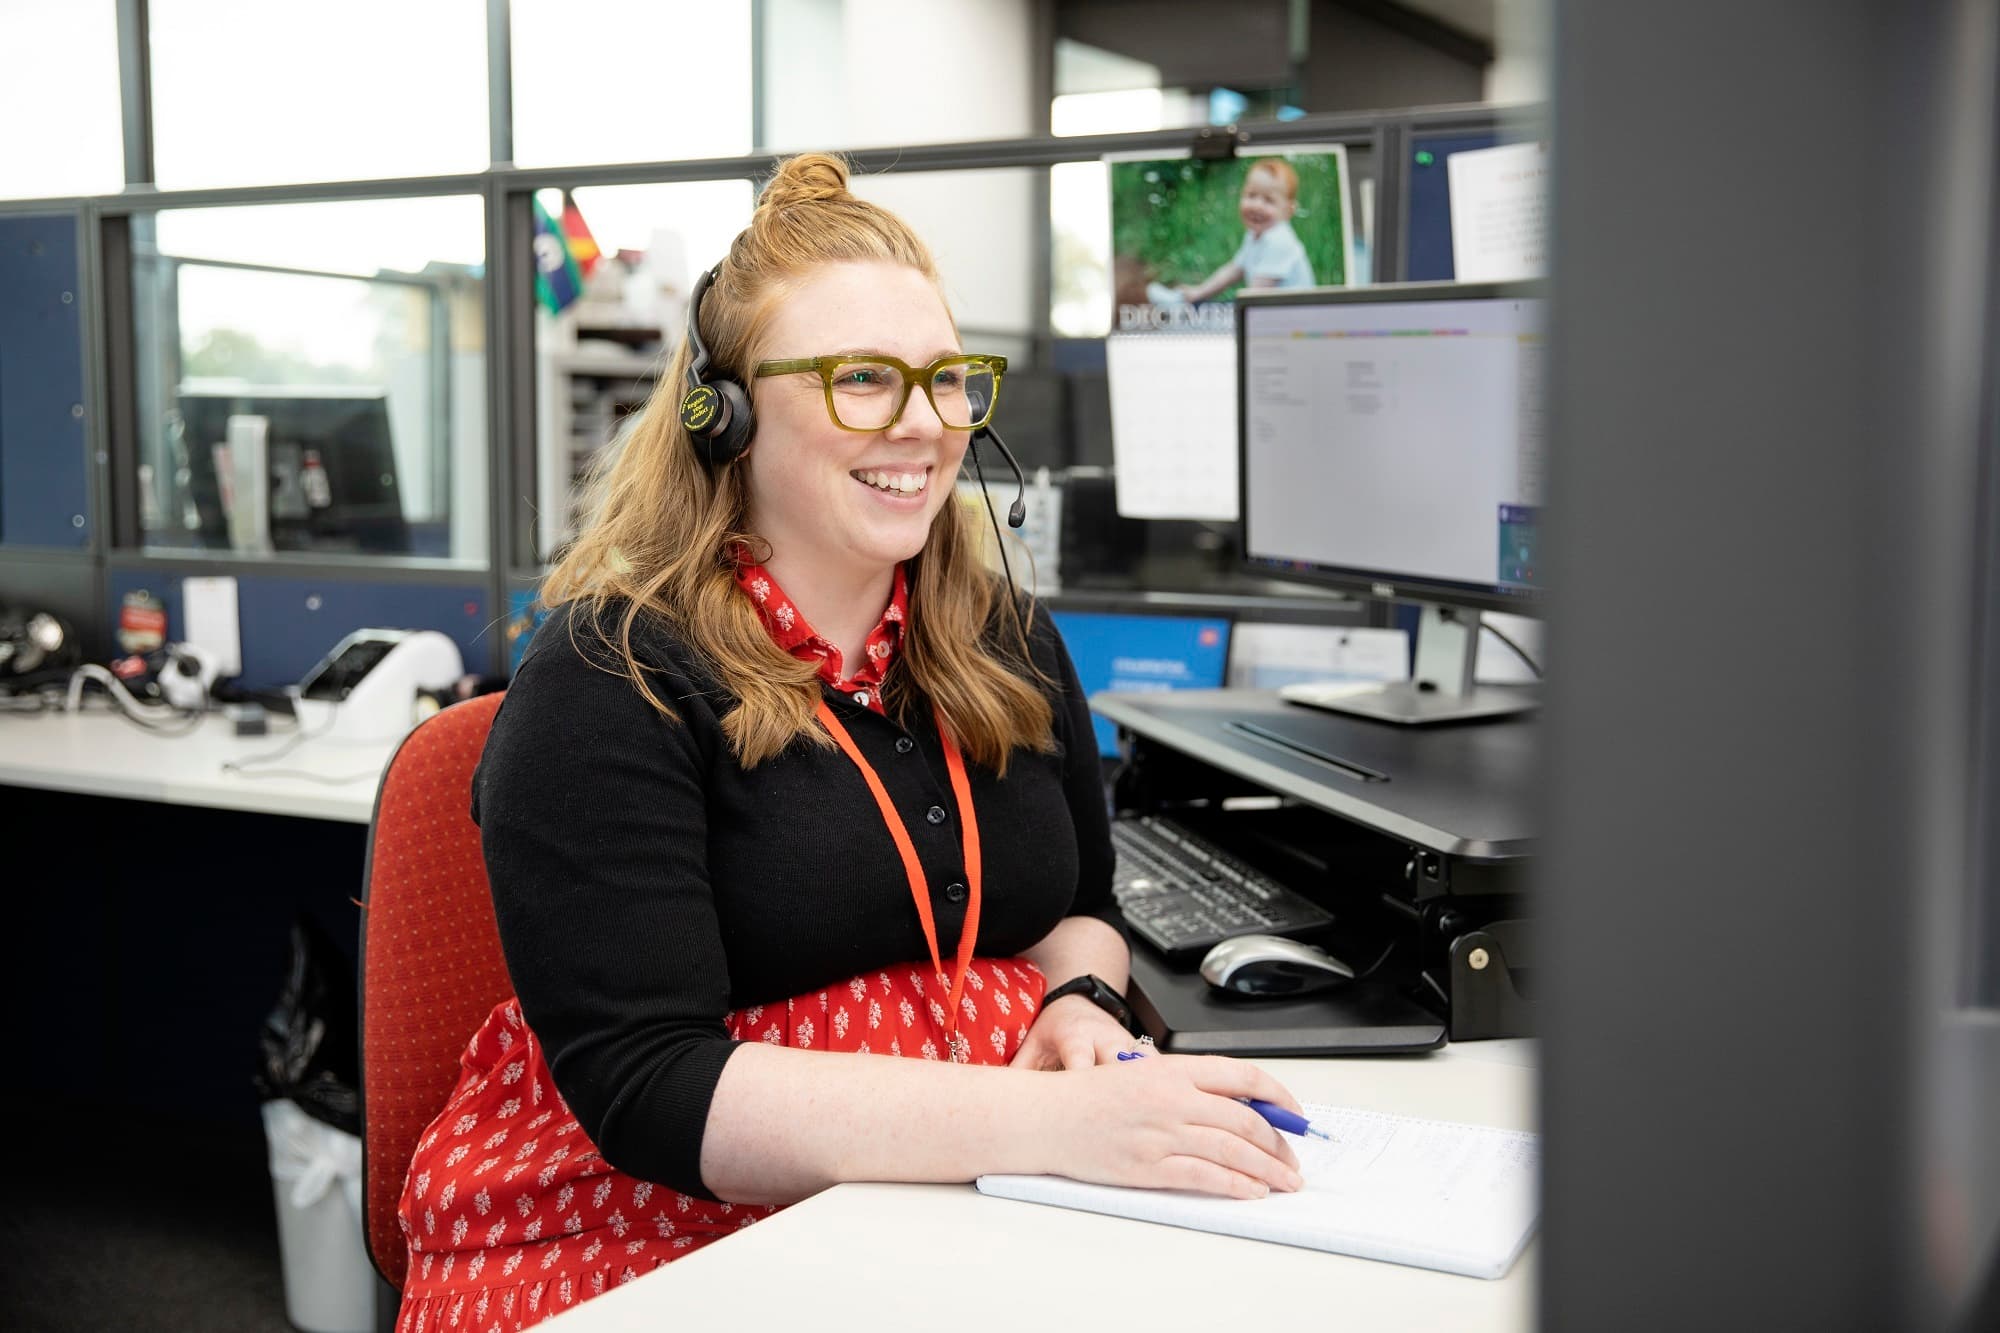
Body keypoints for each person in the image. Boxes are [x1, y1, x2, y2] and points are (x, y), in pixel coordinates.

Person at [394, 152, 1306, 1331]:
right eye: (862, 379)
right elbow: (650, 1088)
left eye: (945, 380)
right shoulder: (609, 679)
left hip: (957, 1194)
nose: (924, 425)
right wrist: (1058, 1126)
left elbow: (1079, 903)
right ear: (721, 413)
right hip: (644, 1228)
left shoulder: (1001, 636)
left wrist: (1080, 1002)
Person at [1171, 157, 1317, 303]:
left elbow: (1255, 296)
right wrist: (1199, 292)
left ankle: (1179, 306)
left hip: (1292, 319)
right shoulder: (1255, 234)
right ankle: (1181, 300)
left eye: (1269, 200)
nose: (1257, 205)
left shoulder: (1279, 241)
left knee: (1218, 314)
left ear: (1288, 211)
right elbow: (1235, 270)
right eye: (1251, 195)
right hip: (1270, 313)